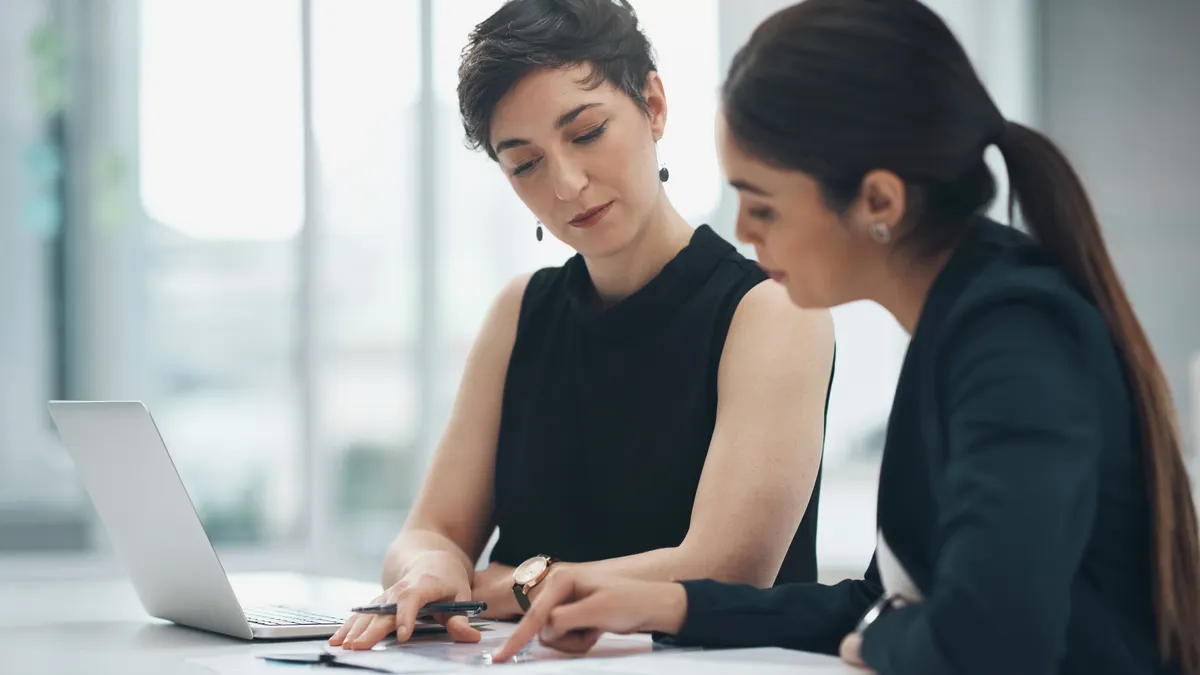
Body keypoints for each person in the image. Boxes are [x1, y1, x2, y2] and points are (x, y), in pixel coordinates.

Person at [493, 1, 1200, 674]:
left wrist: (880, 633)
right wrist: (662, 601)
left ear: (879, 203)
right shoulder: (960, 323)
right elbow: (883, 602)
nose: (742, 230)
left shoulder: (1013, 336)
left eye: (762, 203)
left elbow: (986, 640)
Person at [329, 0, 835, 652]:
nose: (566, 184)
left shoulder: (770, 307)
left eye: (587, 131)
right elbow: (429, 532)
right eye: (525, 163)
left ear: (652, 105)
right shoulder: (521, 310)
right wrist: (430, 569)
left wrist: (503, 585)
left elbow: (727, 570)